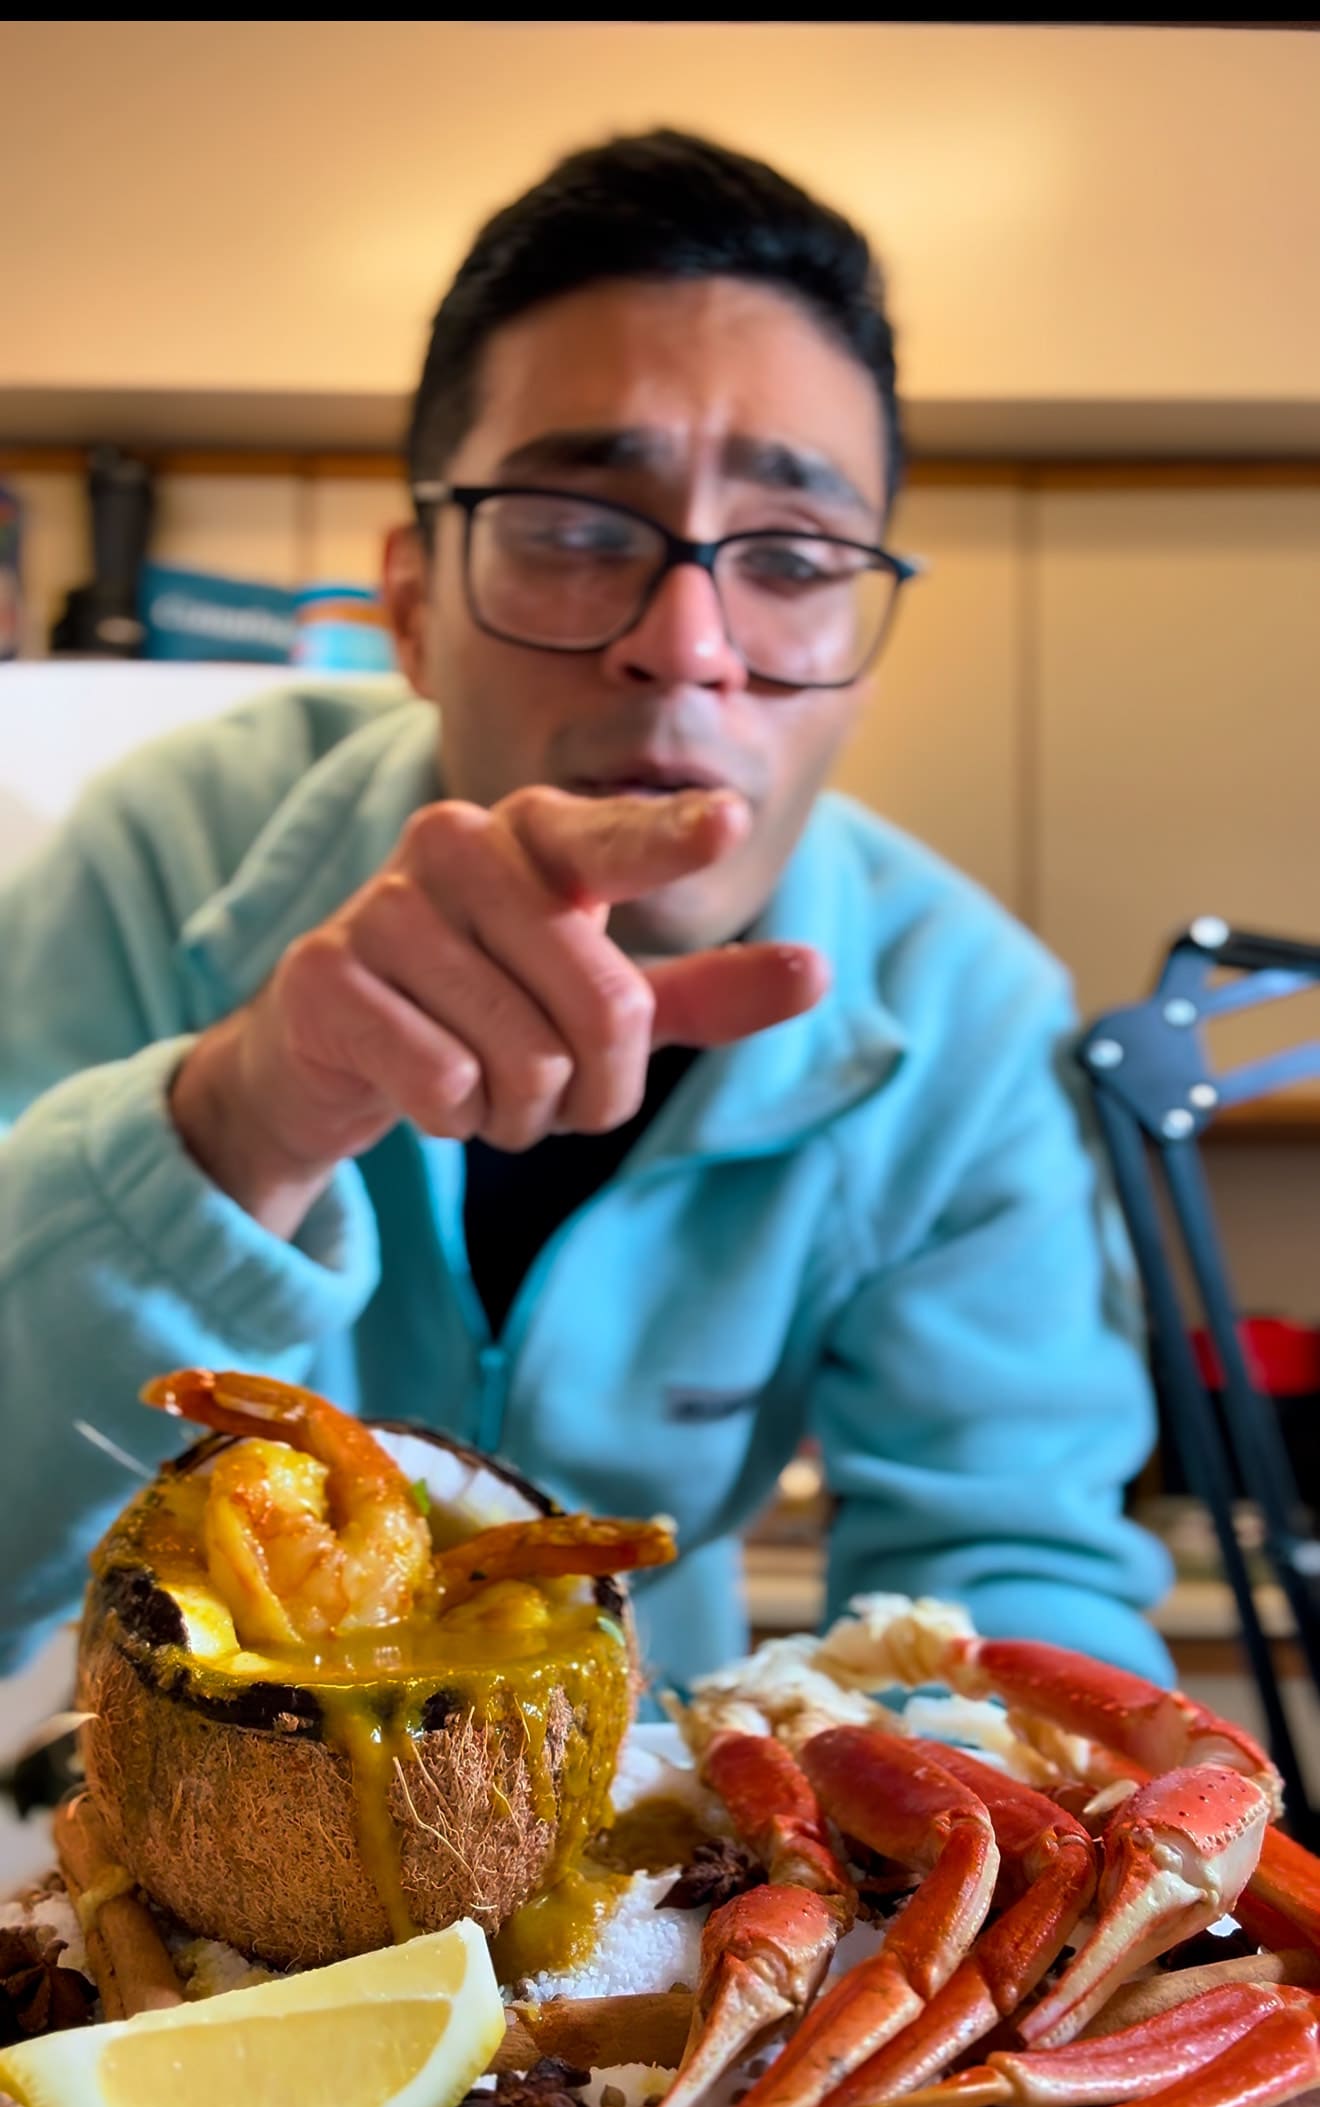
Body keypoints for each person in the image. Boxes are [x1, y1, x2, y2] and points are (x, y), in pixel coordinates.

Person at [0, 127, 1173, 1693]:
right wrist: (236, 1122)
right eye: (575, 531)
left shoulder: (964, 1012)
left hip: (657, 1793)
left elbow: (1014, 1575)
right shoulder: (164, 862)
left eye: (792, 558)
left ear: (860, 651)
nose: (688, 644)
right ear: (412, 605)